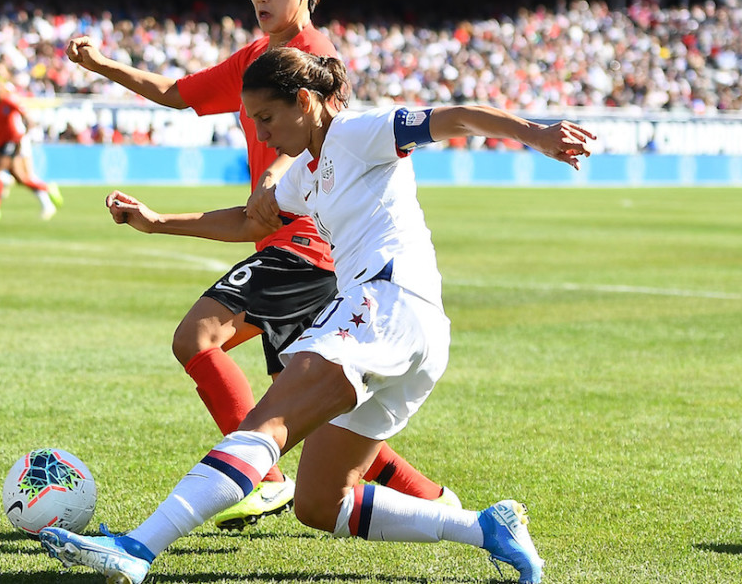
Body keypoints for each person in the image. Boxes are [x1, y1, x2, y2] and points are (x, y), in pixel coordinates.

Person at [41, 48, 595, 584]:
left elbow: (456, 116)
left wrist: (538, 134)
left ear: (305, 100)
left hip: (385, 303)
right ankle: (483, 528)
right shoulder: (307, 173)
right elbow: (251, 222)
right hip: (414, 329)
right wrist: (157, 223)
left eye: (266, 118)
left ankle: (137, 548)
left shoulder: (359, 132)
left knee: (266, 424)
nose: (261, 136)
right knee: (319, 502)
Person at [63, 0, 452, 529]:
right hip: (290, 245)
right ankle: (436, 502)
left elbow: (324, 143)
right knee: (320, 415)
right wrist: (105, 65)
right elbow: (177, 92)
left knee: (197, 338)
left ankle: (265, 482)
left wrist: (273, 175)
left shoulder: (316, 61)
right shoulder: (253, 58)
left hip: (309, 246)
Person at [0, 74, 62, 221]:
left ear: (3, 87)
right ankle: (46, 188)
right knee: (20, 178)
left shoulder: (9, 101)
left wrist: (22, 136)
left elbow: (28, 118)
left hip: (13, 141)